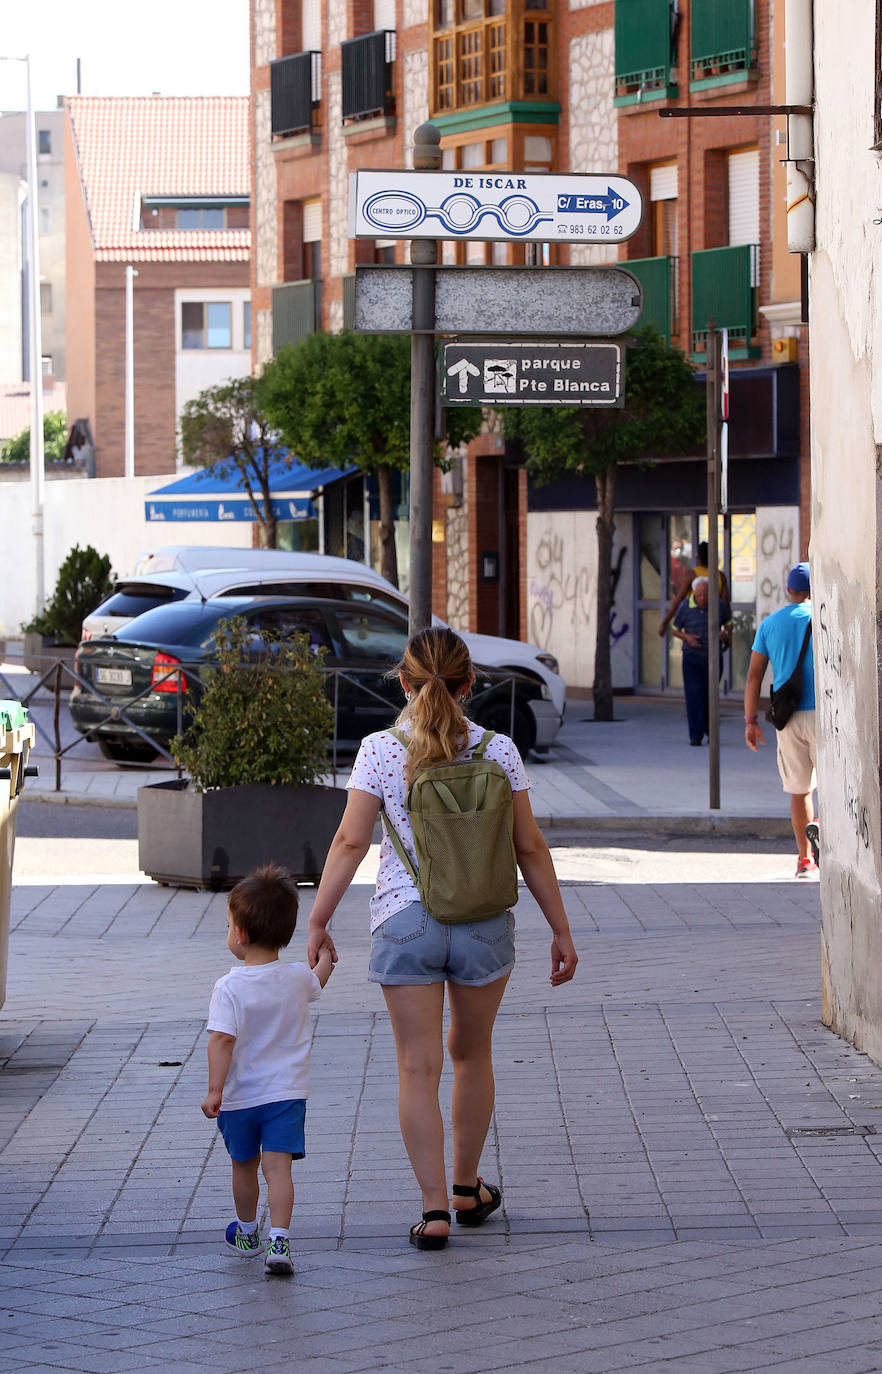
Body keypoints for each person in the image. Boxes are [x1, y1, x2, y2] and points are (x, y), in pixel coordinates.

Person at [307, 626, 578, 1251]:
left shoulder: (380, 750)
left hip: (405, 921)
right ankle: (465, 1186)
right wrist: (560, 929)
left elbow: (350, 842)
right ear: (470, 683)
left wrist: (318, 918)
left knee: (416, 1066)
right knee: (471, 1055)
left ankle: (433, 1212)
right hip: (483, 921)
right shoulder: (500, 751)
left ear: (402, 682)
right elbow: (530, 846)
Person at [201, 864, 334, 1276]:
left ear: (239, 935)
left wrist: (214, 1090)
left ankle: (245, 1232)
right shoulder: (296, 976)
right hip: (287, 1095)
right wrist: (327, 955)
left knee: (244, 1165)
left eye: (227, 925)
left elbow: (222, 1041)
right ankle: (280, 1239)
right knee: (279, 1169)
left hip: (241, 1098)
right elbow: (319, 979)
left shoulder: (229, 988)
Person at [744, 560, 817, 878]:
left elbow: (753, 677)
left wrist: (750, 720)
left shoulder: (770, 625)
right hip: (828, 716)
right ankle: (827, 839)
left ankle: (804, 859)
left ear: (788, 591)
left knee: (800, 791)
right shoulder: (825, 615)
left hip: (788, 716)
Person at [671, 576, 732, 745]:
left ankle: (710, 730)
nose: (703, 598)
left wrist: (724, 634)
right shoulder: (685, 606)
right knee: (694, 696)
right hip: (692, 658)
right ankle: (695, 735)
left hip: (713, 658)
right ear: (694, 594)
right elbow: (675, 629)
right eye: (699, 595)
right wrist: (687, 637)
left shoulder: (718, 605)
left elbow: (729, 624)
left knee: (710, 696)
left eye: (705, 594)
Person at [659, 541, 731, 637]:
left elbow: (678, 601)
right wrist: (727, 630)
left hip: (694, 622)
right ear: (713, 557)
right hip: (714, 621)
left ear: (698, 558)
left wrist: (664, 623)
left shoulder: (691, 575)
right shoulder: (720, 576)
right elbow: (725, 604)